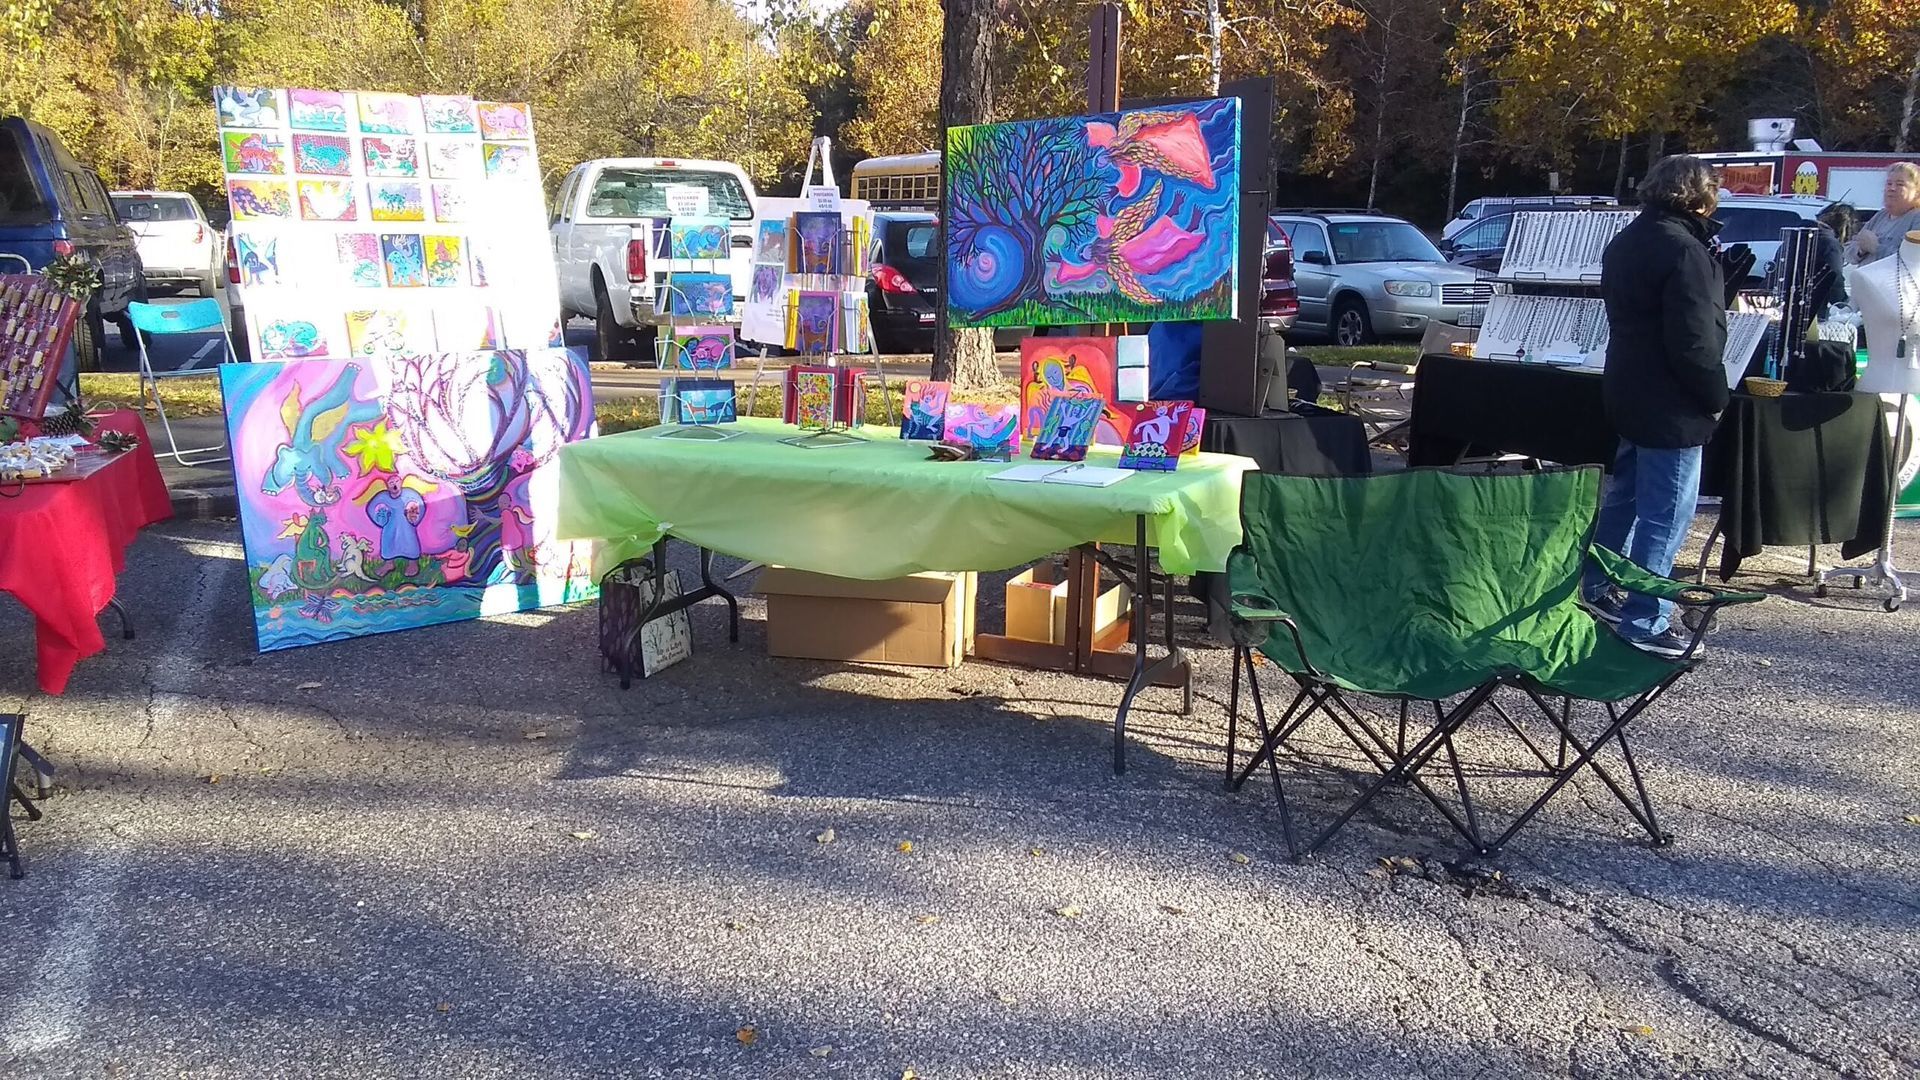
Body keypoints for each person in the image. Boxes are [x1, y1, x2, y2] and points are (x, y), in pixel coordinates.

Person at [1584, 155, 1730, 658]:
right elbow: (1694, 342)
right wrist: (1716, 398)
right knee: (1664, 514)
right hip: (1671, 400)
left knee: (1625, 497)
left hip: (1628, 385)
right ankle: (1647, 619)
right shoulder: (1685, 250)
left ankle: (1594, 586)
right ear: (1698, 198)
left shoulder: (1626, 240)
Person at [1849, 162, 1920, 265]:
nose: (1892, 188)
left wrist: (1876, 248)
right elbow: (1848, 252)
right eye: (1889, 183)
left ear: (1916, 192)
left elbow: (1913, 261)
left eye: (1900, 184)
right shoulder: (1881, 215)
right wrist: (1860, 250)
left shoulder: (1916, 218)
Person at [1812, 202, 1854, 317]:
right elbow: (1834, 275)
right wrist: (1842, 300)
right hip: (1811, 309)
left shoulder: (1798, 234)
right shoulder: (1829, 243)